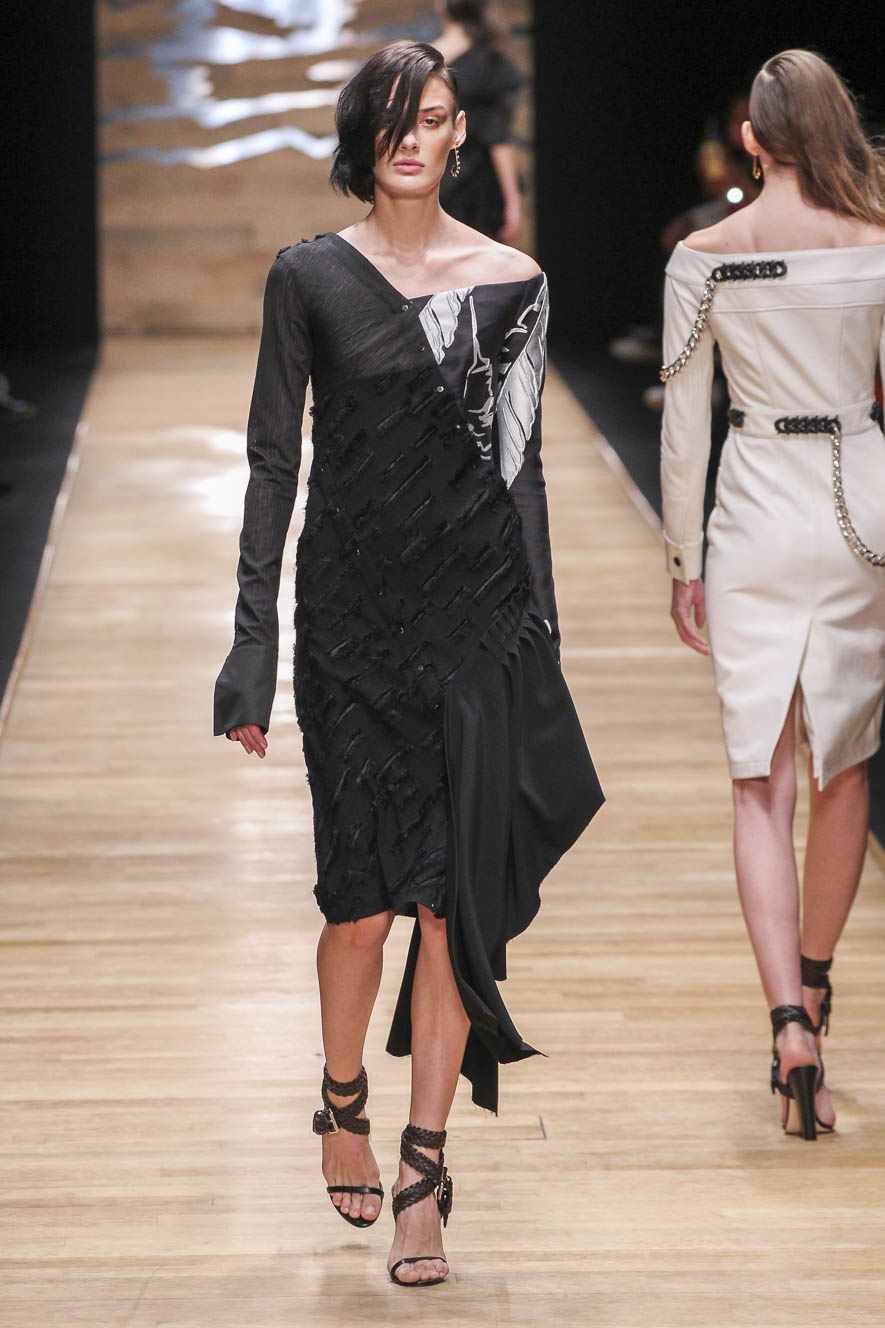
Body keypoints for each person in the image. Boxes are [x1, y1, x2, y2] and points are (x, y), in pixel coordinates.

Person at [214, 40, 602, 1285]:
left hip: (475, 623)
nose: (412, 139)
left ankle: (425, 1169)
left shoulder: (514, 282)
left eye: (432, 118)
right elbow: (274, 461)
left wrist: (543, 638)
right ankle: (342, 1099)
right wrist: (252, 643)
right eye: (391, 120)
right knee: (359, 906)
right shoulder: (310, 278)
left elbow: (521, 469)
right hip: (349, 626)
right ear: (362, 138)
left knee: (447, 903)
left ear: (457, 132)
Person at [660, 49, 885, 1141]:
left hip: (751, 507)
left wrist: (683, 560)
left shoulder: (704, 256)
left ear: (749, 139)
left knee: (761, 776)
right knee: (842, 765)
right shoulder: (876, 243)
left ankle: (788, 1019)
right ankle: (817, 985)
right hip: (858, 508)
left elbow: (683, 421)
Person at [432, 1, 525, 239]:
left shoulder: (424, 63)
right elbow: (498, 136)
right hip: (480, 188)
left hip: (436, 182)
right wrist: (512, 200)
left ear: (443, 5)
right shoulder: (490, 61)